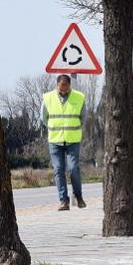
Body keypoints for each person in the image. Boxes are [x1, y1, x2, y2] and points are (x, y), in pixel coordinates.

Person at [42, 74, 87, 211]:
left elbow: (83, 118)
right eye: (61, 88)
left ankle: (78, 197)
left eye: (65, 88)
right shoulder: (48, 98)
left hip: (73, 139)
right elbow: (44, 118)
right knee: (58, 170)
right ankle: (63, 201)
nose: (63, 91)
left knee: (73, 168)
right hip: (55, 140)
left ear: (69, 86)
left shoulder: (79, 97)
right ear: (57, 85)